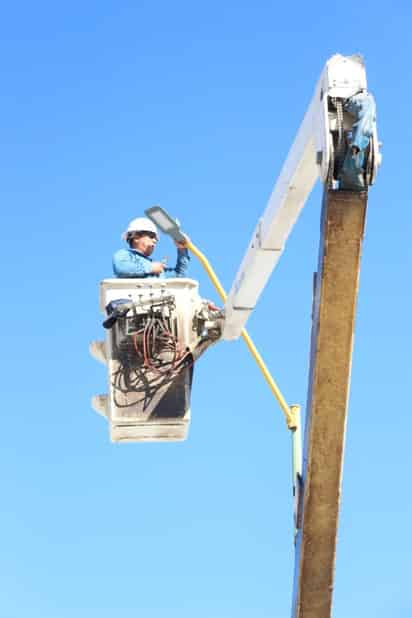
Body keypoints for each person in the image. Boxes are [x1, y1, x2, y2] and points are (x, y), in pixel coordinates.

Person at [112, 217, 190, 278]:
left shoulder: (156, 267)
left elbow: (180, 276)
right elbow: (121, 268)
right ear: (136, 237)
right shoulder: (124, 254)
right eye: (151, 236)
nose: (155, 241)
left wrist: (182, 249)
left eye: (156, 239)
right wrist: (150, 268)